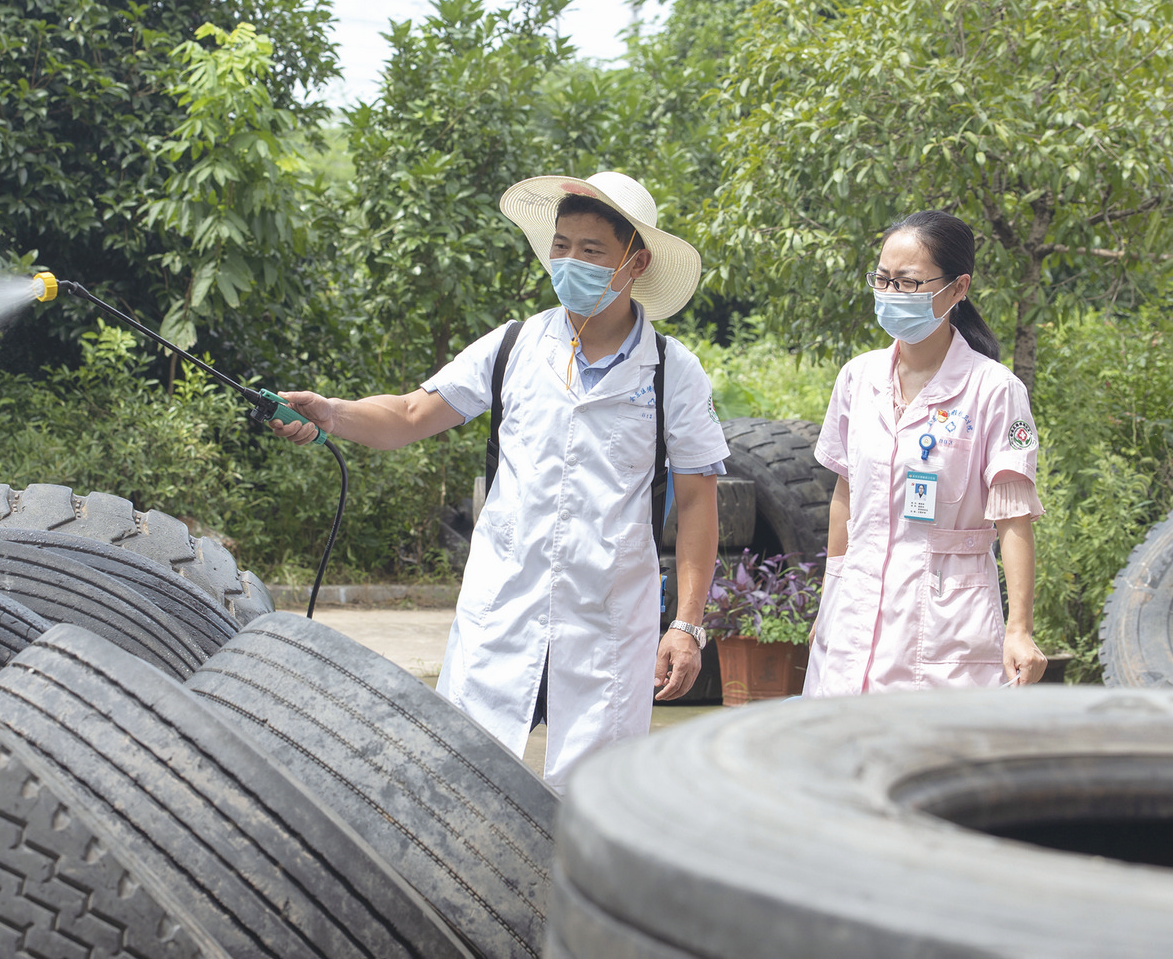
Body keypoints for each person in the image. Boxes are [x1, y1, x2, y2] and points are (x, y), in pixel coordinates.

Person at [269, 172, 727, 790]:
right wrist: (333, 412)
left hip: (609, 621)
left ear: (635, 262)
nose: (570, 263)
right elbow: (409, 415)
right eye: (560, 246)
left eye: (591, 251)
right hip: (503, 607)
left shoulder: (673, 370)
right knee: (466, 782)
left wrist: (688, 624)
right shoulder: (513, 346)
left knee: (596, 800)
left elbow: (699, 501)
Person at [805, 209, 1048, 696]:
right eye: (883, 279)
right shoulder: (858, 378)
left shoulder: (994, 390)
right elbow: (846, 495)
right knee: (838, 757)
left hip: (947, 616)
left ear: (958, 289)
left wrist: (1019, 628)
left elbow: (1013, 517)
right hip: (855, 609)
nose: (891, 295)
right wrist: (830, 594)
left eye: (909, 283)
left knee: (933, 759)